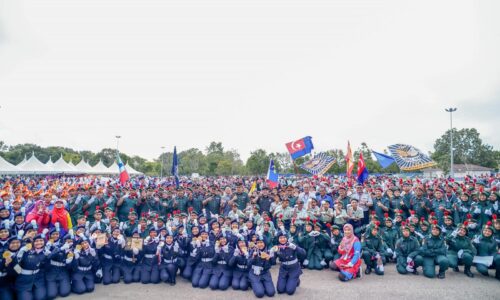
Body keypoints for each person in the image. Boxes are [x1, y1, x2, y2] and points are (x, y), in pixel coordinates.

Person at [14, 234, 49, 300]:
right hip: (24, 281)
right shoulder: (25, 250)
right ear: (33, 242)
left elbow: (44, 267)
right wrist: (18, 256)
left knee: (41, 298)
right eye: (36, 241)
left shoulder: (45, 251)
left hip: (38, 280)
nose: (39, 243)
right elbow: (15, 266)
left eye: (41, 240)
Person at [272, 230, 306, 295]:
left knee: (289, 291)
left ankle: (296, 280)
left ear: (287, 238)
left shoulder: (292, 245)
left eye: (284, 237)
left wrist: (296, 248)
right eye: (280, 238)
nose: (282, 239)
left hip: (294, 268)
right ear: (278, 239)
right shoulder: (277, 247)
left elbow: (303, 253)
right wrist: (272, 253)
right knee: (280, 290)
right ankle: (289, 279)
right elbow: (272, 261)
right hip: (284, 269)